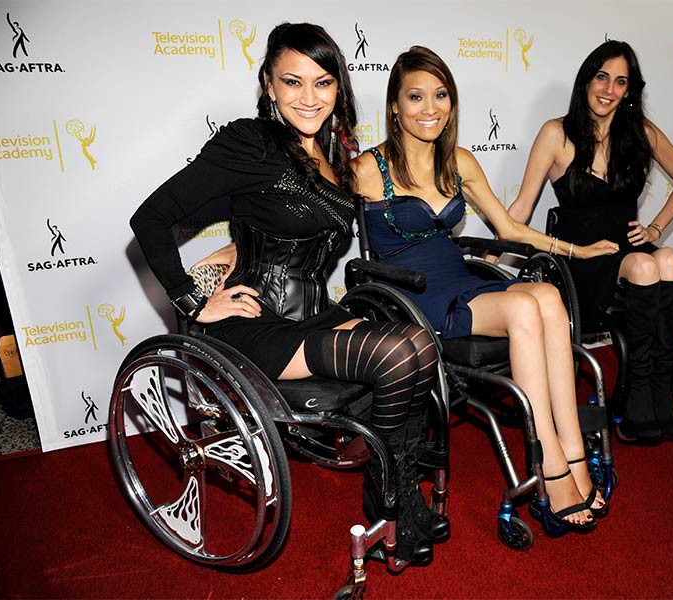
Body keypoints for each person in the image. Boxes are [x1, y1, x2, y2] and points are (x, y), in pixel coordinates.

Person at [130, 23, 446, 564]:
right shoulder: (249, 143)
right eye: (292, 82)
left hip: (314, 315)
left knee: (418, 344)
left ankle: (398, 493)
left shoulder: (335, 157)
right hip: (254, 327)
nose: (309, 97)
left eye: (322, 83)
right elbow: (151, 217)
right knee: (397, 354)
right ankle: (390, 501)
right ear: (269, 86)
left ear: (338, 89)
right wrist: (191, 299)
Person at [354, 46, 618, 530]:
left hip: (460, 279)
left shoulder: (460, 162)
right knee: (522, 308)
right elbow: (311, 215)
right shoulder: (367, 169)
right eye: (416, 96)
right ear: (394, 105)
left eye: (441, 95)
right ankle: (550, 469)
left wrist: (575, 252)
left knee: (547, 296)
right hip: (410, 296)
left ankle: (574, 451)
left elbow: (510, 229)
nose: (430, 107)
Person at [505, 40, 673, 444]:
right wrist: (489, 254)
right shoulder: (556, 133)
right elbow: (522, 207)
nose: (609, 89)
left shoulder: (639, 133)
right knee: (646, 266)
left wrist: (656, 228)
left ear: (630, 91)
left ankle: (659, 400)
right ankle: (632, 402)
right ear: (587, 80)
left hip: (627, 249)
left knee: (669, 262)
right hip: (579, 259)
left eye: (620, 82)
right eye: (602, 77)